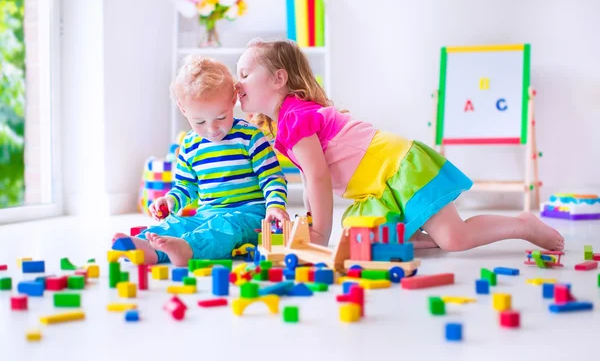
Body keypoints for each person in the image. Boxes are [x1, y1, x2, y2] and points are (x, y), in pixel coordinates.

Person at [234, 38, 564, 252]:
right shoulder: (286, 120)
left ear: (278, 79)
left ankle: (524, 224)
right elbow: (309, 180)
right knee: (367, 242)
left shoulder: (294, 116)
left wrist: (319, 235)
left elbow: (318, 178)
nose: (238, 83)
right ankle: (428, 232)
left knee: (455, 238)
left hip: (398, 170)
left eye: (245, 74)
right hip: (378, 186)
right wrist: (309, 221)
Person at [112, 55, 289, 266]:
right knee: (177, 224)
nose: (212, 129)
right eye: (200, 121)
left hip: (250, 217)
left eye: (221, 117)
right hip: (207, 215)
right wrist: (170, 201)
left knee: (223, 227)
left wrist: (275, 207)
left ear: (233, 100)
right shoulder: (189, 146)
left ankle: (187, 249)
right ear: (183, 109)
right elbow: (186, 187)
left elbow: (272, 178)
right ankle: (148, 248)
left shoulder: (250, 137)